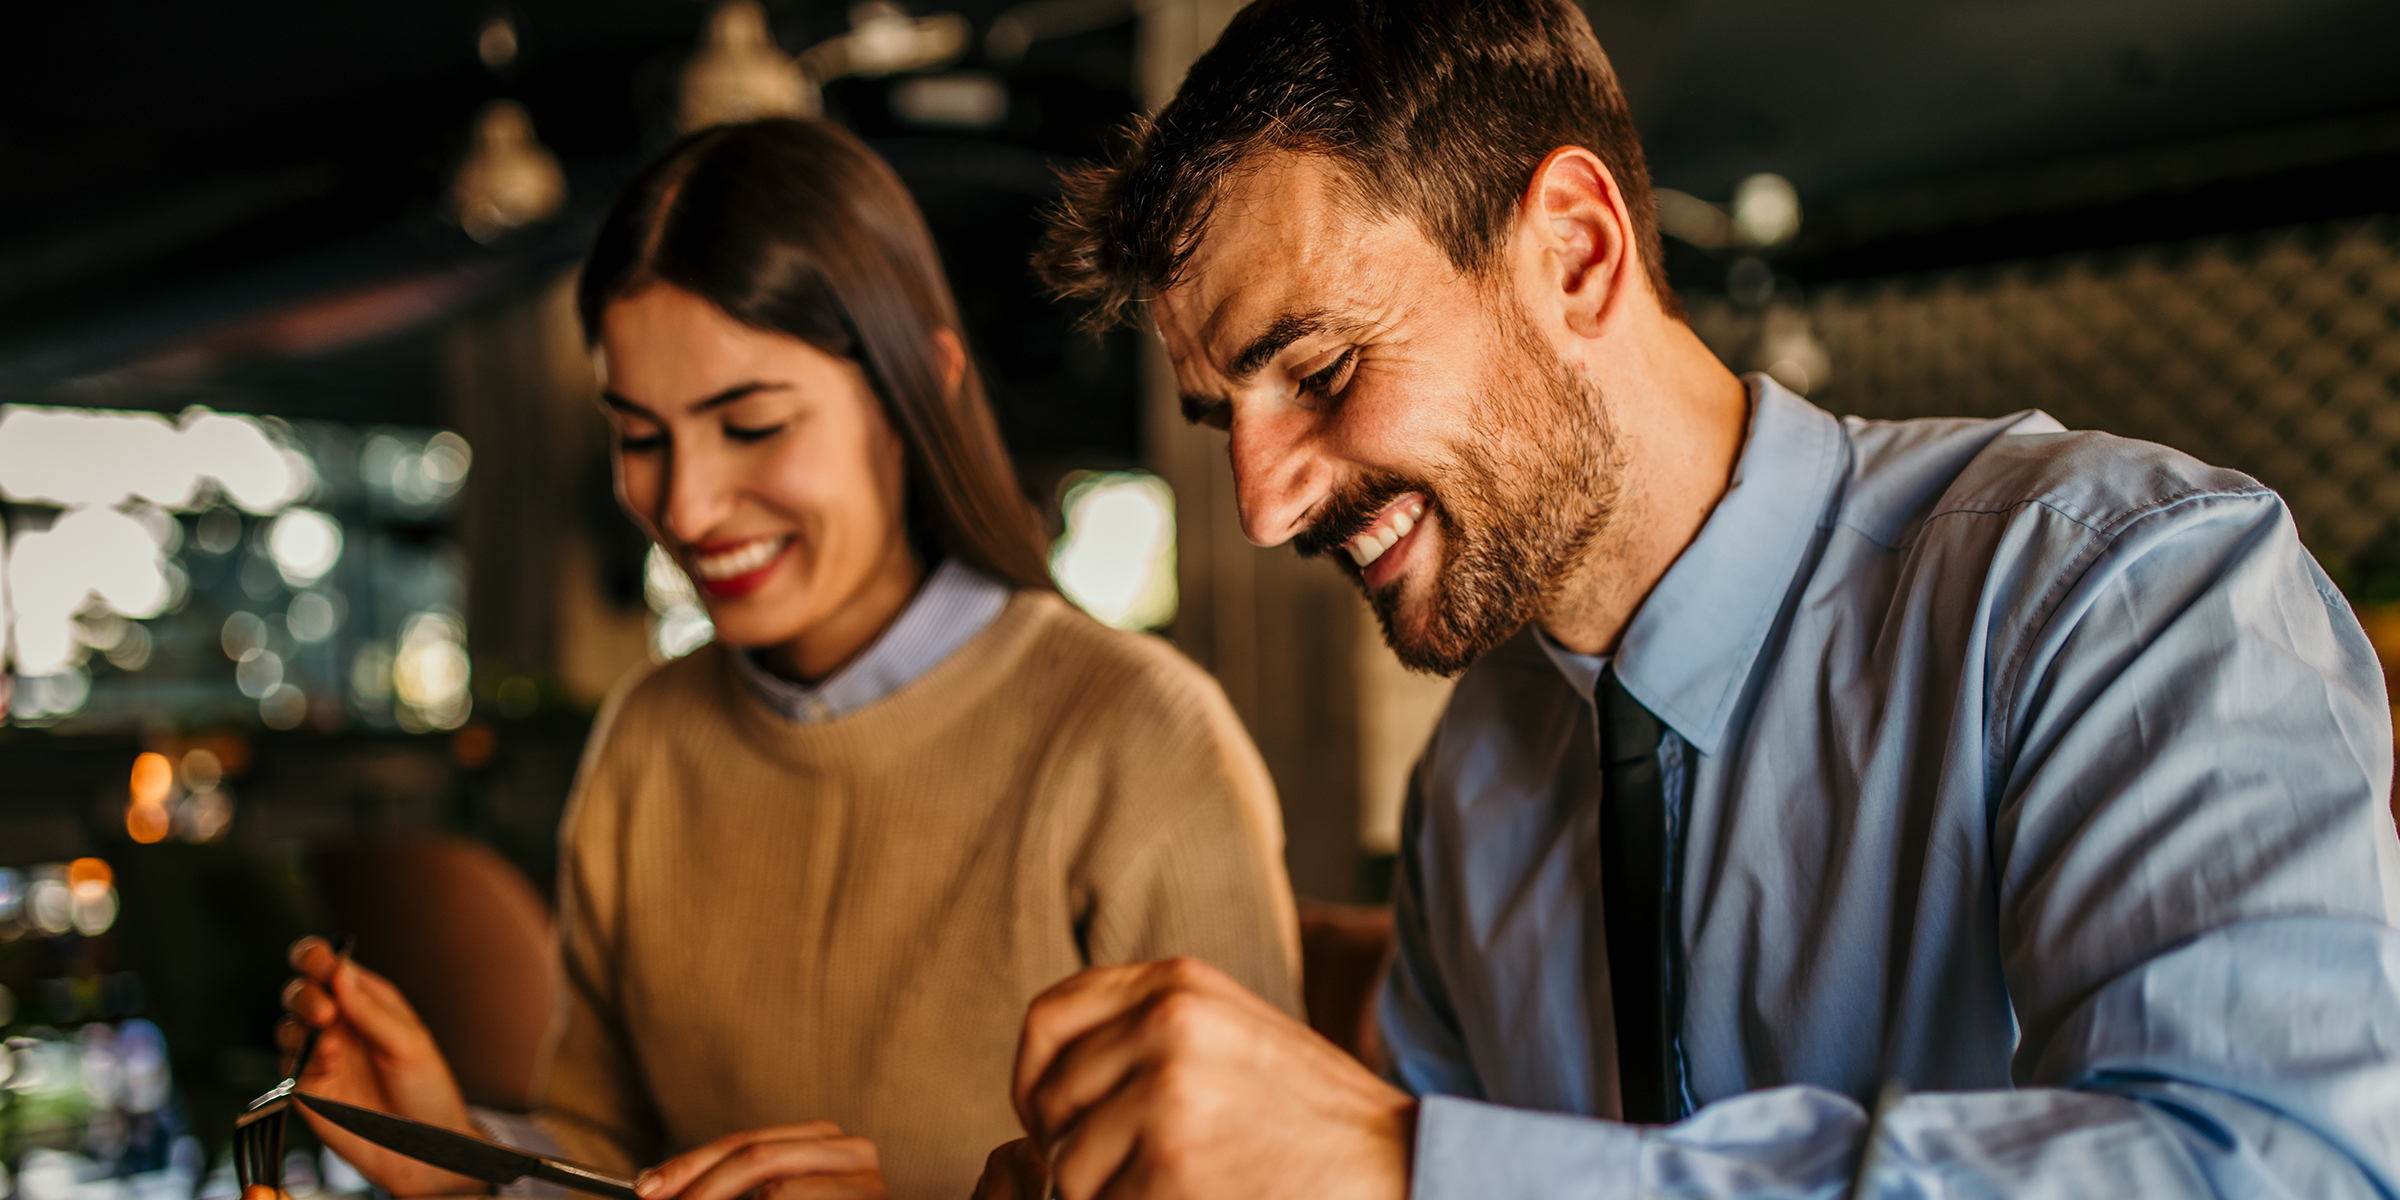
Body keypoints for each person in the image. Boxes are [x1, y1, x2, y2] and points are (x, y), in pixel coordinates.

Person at [973, 0, 2400, 1196]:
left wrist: (1413, 1162)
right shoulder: (1475, 774)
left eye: (1327, 370)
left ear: (1576, 253)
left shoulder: (2117, 589)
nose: (1265, 504)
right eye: (1230, 422)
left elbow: (2271, 1167)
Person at [277, 117, 1301, 1200]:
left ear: (925, 390)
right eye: (639, 436)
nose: (686, 502)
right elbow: (617, 1159)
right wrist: (459, 1158)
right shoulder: (648, 740)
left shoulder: (1139, 741)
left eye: (753, 424)